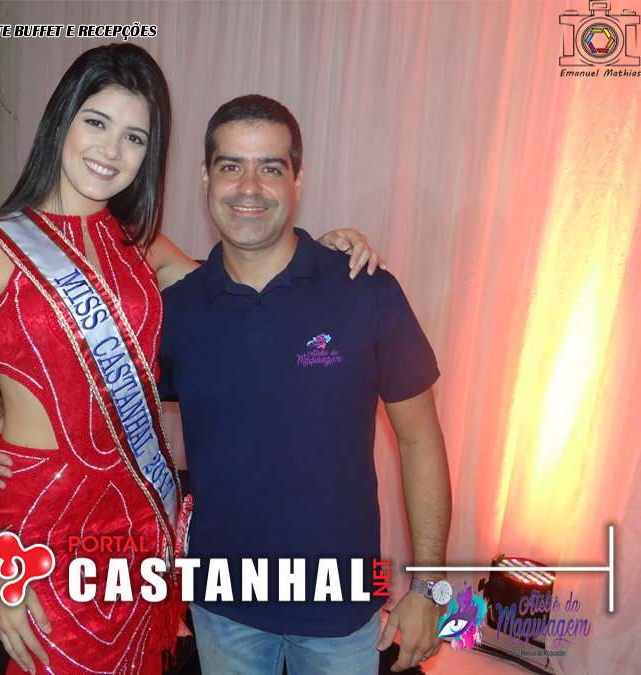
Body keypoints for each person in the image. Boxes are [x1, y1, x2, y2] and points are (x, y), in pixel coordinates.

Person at [0, 45, 381, 675]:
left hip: (139, 513)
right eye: (96, 122)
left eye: (135, 137)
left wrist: (326, 252)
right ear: (61, 120)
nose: (111, 151)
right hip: (47, 517)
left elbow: (243, 284)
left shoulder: (139, 246)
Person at [158, 95, 452, 674]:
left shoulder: (365, 290)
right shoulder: (176, 312)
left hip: (343, 611)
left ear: (297, 180)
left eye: (269, 167)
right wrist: (4, 438)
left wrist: (429, 588)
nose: (248, 187)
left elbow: (420, 440)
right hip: (223, 608)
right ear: (205, 178)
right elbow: (106, 420)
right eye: (230, 166)